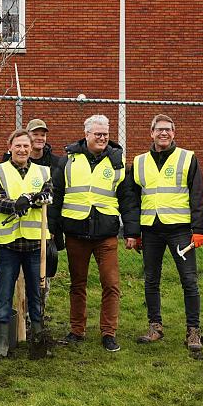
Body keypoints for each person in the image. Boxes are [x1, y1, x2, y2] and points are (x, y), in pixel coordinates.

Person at [48, 114, 139, 351]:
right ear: (86, 134)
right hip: (76, 232)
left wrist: (131, 231)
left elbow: (128, 199)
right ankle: (76, 330)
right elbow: (56, 197)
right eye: (97, 134)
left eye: (106, 134)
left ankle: (109, 332)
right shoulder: (68, 160)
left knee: (111, 284)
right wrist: (54, 232)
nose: (102, 137)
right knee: (77, 284)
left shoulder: (118, 161)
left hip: (106, 234)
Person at [128, 114, 203, 353]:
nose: (163, 133)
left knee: (189, 280)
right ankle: (155, 326)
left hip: (180, 230)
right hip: (150, 230)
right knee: (151, 279)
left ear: (174, 133)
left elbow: (197, 195)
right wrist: (134, 232)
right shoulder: (139, 162)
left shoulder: (187, 158)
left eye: (168, 130)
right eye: (159, 129)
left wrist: (199, 230)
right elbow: (132, 200)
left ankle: (193, 331)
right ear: (151, 133)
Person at [0, 129, 52, 357]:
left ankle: (38, 339)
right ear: (10, 148)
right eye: (18, 146)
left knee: (36, 294)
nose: (23, 149)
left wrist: (33, 199)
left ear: (32, 148)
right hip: (8, 245)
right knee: (4, 293)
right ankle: (3, 343)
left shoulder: (43, 172)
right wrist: (20, 202)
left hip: (36, 245)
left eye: (26, 146)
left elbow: (46, 195)